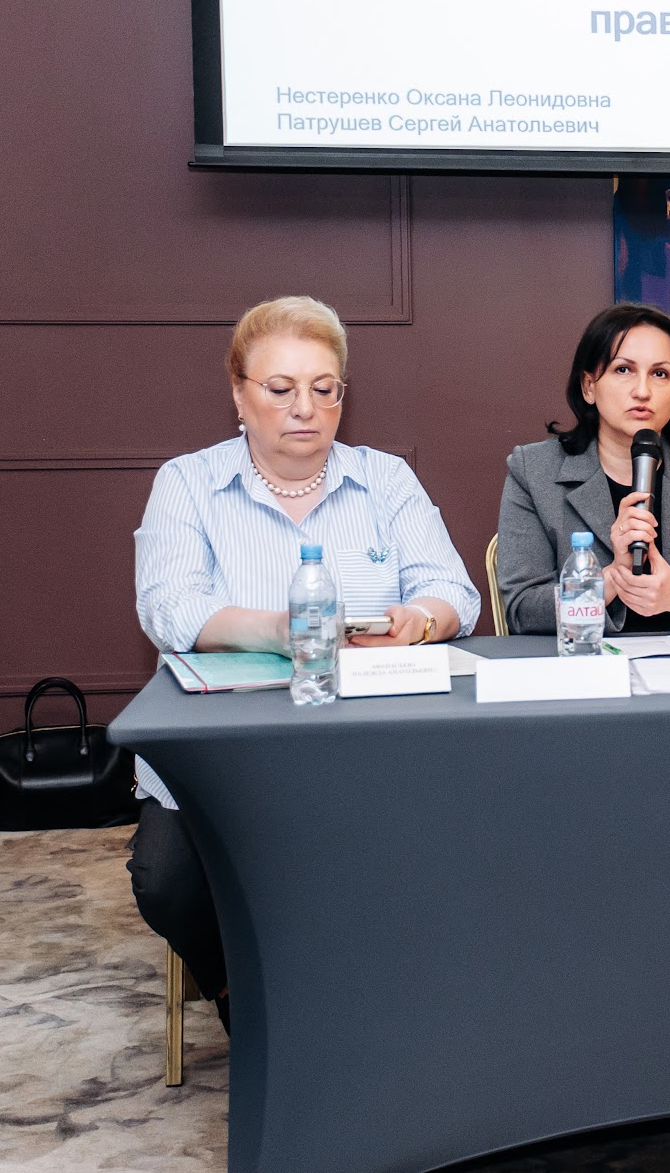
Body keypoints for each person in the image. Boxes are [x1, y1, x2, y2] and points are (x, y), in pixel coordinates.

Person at [131, 296, 480, 1024]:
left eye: (324, 389)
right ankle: (248, 1000)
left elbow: (455, 593)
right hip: (227, 756)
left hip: (371, 747)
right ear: (239, 394)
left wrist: (418, 621)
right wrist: (276, 630)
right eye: (281, 388)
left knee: (438, 858)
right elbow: (168, 608)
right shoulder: (188, 482)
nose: (305, 408)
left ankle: (397, 1007)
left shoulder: (385, 479)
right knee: (166, 880)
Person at [497, 304, 670, 635]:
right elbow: (522, 610)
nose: (642, 391)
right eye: (623, 370)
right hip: (587, 662)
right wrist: (610, 579)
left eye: (660, 374)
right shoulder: (534, 471)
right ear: (589, 386)